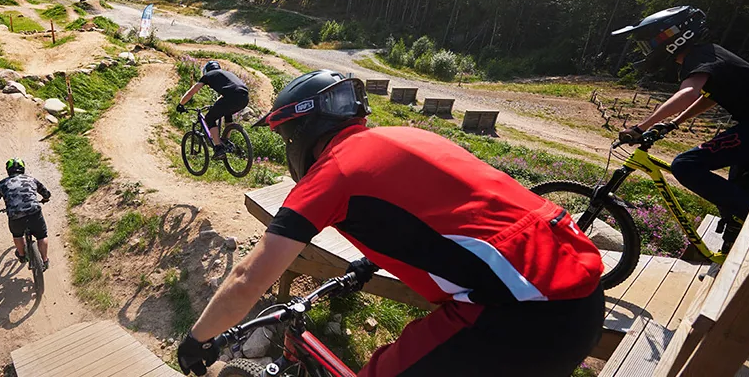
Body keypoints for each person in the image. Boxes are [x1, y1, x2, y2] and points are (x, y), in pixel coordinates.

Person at [176, 70, 605, 376]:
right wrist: (372, 260)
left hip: (520, 313)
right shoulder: (408, 136)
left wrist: (197, 340)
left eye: (287, 137)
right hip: (581, 296)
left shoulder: (332, 172)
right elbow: (442, 215)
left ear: (303, 132)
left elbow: (249, 277)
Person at [612, 6, 749, 252]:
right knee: (738, 188)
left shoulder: (698, 57)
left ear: (670, 38)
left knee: (685, 165)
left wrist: (640, 127)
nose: (647, 51)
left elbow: (688, 93)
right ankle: (741, 240)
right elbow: (710, 96)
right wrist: (674, 122)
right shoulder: (709, 54)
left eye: (648, 44)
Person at [0, 158, 53, 268]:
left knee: (17, 235)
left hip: (15, 216)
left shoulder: (3, 184)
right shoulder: (31, 179)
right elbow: (46, 193)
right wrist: (45, 199)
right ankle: (45, 260)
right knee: (42, 235)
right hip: (34, 213)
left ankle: (22, 256)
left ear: (8, 170)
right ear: (23, 169)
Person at [177, 61, 250, 160]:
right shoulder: (226, 73)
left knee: (209, 118)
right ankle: (226, 140)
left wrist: (181, 104)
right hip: (244, 97)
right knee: (227, 113)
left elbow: (191, 92)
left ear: (206, 71)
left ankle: (218, 147)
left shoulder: (208, 76)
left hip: (231, 97)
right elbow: (231, 90)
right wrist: (217, 105)